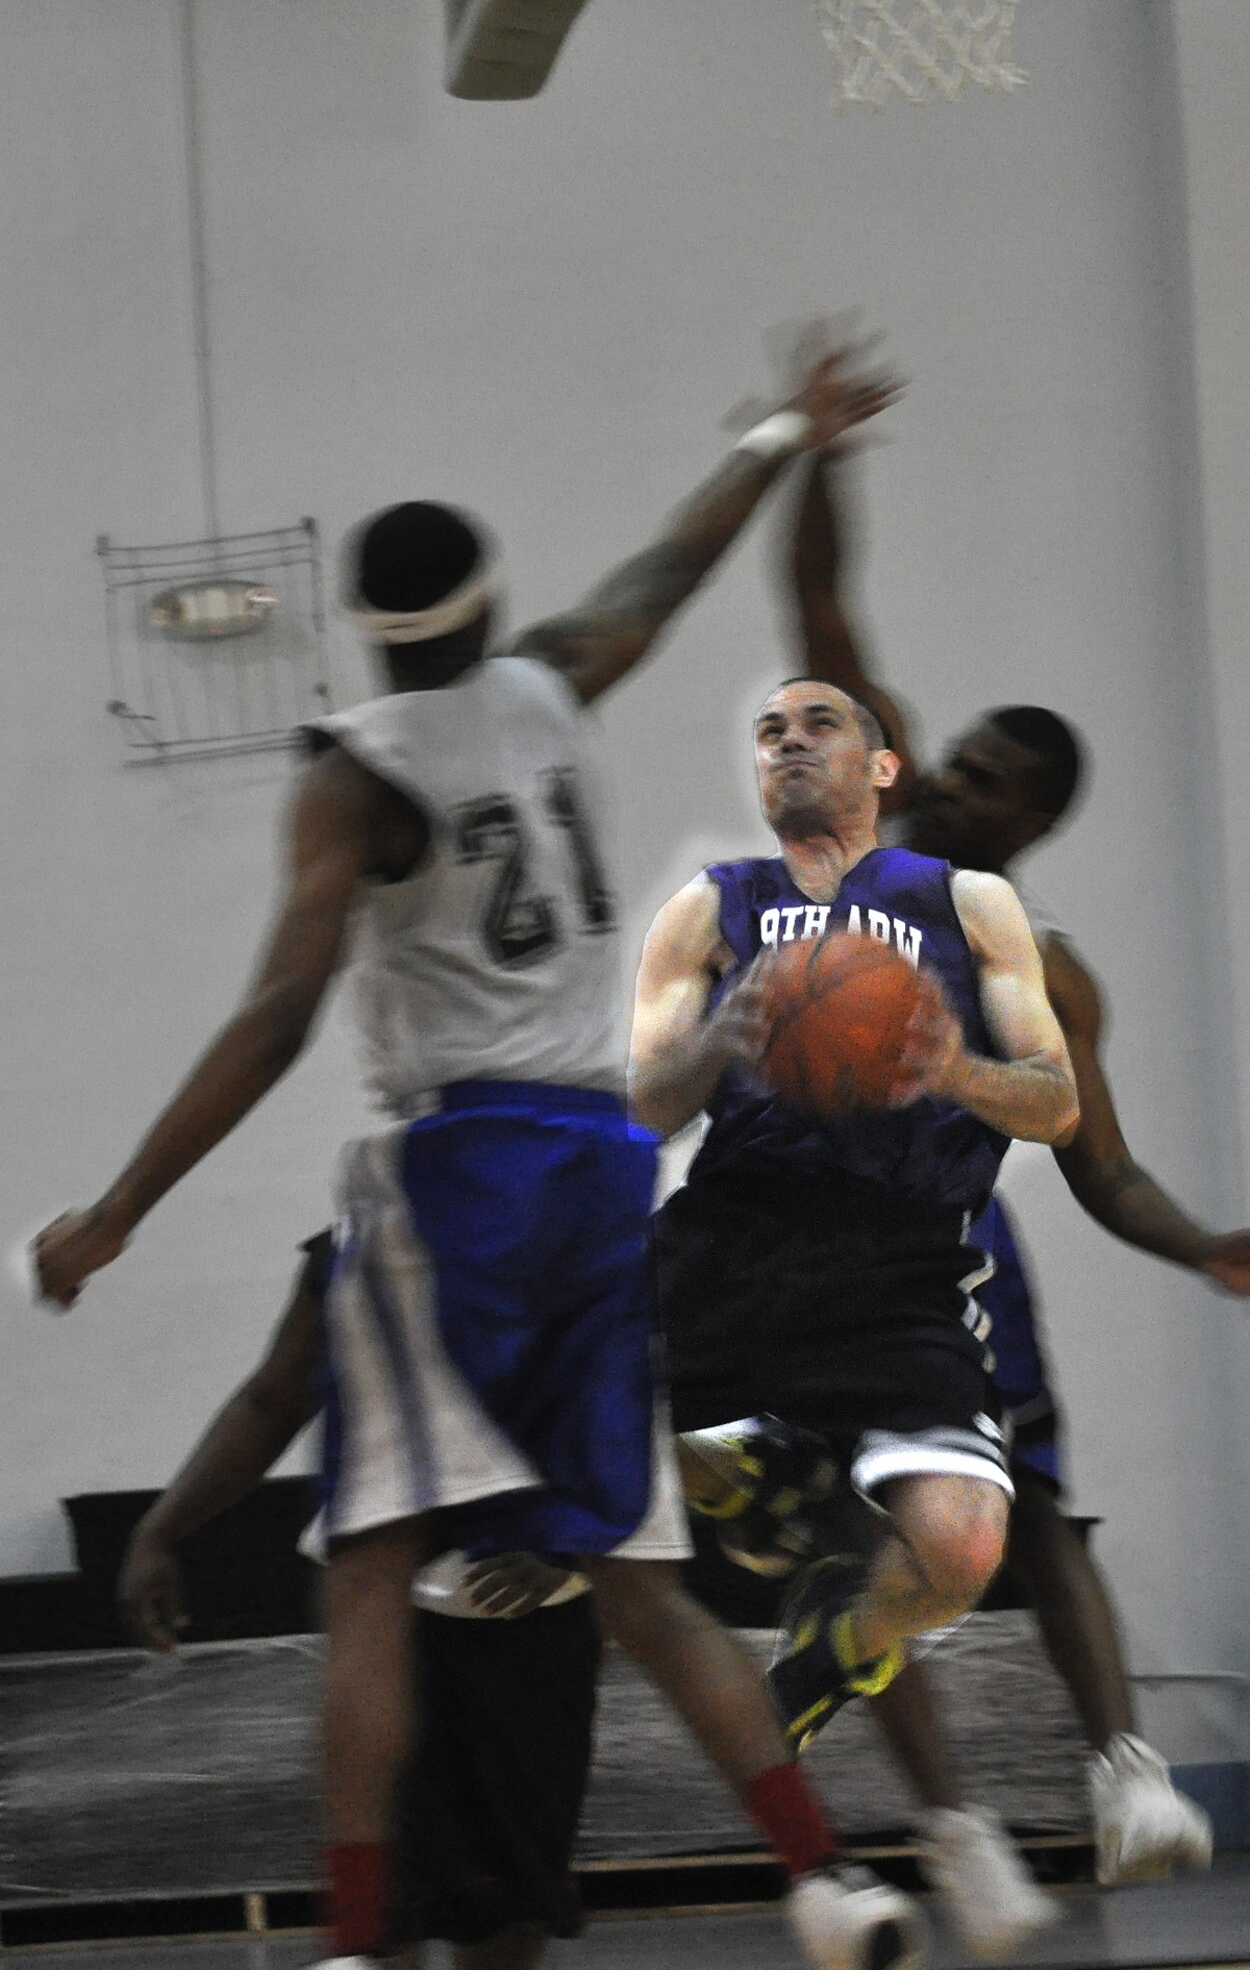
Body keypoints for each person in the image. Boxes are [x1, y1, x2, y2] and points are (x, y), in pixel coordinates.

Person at [33, 345, 927, 1970]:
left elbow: (280, 1017)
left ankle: (360, 1945)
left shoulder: (352, 775)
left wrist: (119, 1209)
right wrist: (794, 429)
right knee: (640, 1585)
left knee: (370, 1574)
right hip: (603, 1169)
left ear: (365, 625)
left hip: (463, 1177)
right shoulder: (554, 677)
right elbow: (676, 557)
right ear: (491, 602)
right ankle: (828, 1881)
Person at [780, 439, 1243, 1905]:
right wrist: (817, 456)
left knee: (1034, 1511)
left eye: (984, 778)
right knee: (855, 1537)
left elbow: (1099, 1168)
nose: (951, 778)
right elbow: (819, 611)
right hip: (793, 1242)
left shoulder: (1045, 976)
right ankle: (954, 1831)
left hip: (948, 1252)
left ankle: (1127, 1779)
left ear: (1029, 821)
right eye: (955, 754)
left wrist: (1201, 1249)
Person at [629, 670, 1080, 1923]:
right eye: (768, 729)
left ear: (883, 766)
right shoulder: (708, 909)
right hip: (733, 1234)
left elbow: (1055, 1103)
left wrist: (952, 1066)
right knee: (578, 1423)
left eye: (817, 723)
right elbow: (640, 1106)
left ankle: (840, 1615)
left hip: (898, 1256)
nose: (787, 742)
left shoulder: (964, 904)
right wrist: (723, 1038)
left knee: (961, 1544)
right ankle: (771, 1486)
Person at [118, 1231, 602, 1970]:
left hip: (529, 1613)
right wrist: (161, 1527)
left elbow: (628, 1402)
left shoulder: (567, 1232)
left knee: (510, 1900)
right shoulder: (350, 1246)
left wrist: (567, 1535)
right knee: (388, 1897)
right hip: (385, 1608)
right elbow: (270, 1399)